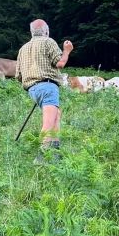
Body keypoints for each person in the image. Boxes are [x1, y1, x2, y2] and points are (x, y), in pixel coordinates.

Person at [15, 19, 74, 162]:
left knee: (56, 116)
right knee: (48, 123)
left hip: (32, 89)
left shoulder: (23, 49)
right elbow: (60, 64)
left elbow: (18, 76)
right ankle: (40, 158)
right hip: (48, 86)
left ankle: (55, 153)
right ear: (46, 31)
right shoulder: (48, 42)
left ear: (32, 32)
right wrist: (67, 51)